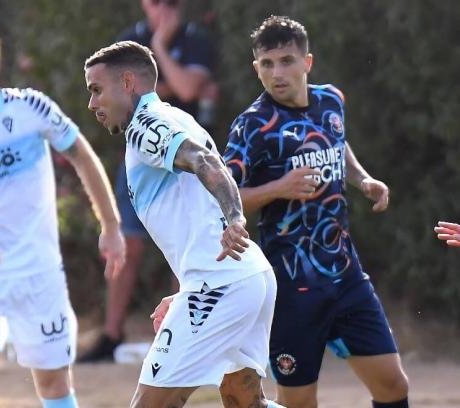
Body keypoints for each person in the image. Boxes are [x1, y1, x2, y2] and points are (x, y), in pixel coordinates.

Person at [0, 19, 125, 408]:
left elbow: (82, 156)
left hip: (37, 272)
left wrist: (110, 226)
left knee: (52, 384)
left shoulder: (31, 108)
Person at [223, 15, 410, 408]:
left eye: (287, 61)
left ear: (307, 62)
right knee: (299, 403)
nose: (277, 73)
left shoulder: (331, 100)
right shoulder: (252, 127)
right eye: (267, 64)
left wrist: (362, 180)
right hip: (291, 289)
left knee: (393, 387)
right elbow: (223, 194)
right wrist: (278, 188)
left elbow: (337, 141)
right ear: (256, 68)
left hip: (346, 277)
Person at [85, 40, 280, 408]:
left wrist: (235, 217)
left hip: (219, 283)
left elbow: (205, 162)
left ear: (127, 82)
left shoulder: (146, 126)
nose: (93, 103)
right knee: (245, 403)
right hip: (245, 278)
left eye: (97, 90)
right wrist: (186, 289)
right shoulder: (175, 116)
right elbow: (199, 199)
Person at [79, 0, 218, 363]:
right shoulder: (127, 43)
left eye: (170, 2)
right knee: (129, 242)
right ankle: (112, 333)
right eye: (156, 2)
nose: (163, 7)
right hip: (145, 158)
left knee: (184, 239)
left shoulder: (193, 41)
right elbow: (176, 89)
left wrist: (158, 49)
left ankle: (190, 328)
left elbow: (185, 90)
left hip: (179, 159)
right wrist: (171, 83)